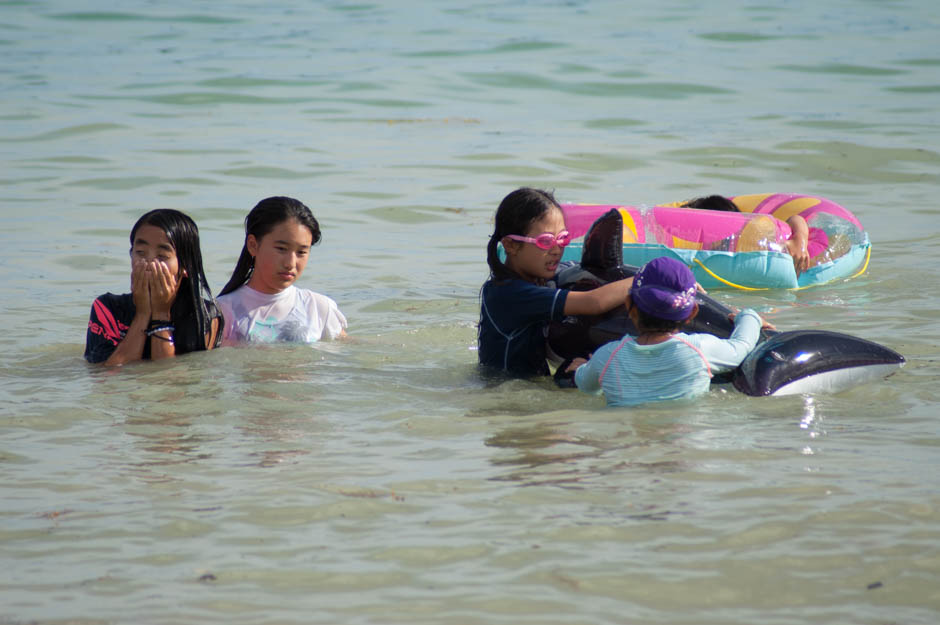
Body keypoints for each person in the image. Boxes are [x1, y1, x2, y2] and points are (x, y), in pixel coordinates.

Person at [478, 187, 634, 378]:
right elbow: (594, 302)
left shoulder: (529, 281)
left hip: (528, 384)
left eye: (562, 239)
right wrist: (645, 277)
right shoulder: (510, 294)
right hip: (504, 393)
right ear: (511, 245)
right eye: (546, 241)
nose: (556, 250)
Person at [568, 256, 763, 406]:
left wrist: (582, 367)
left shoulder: (607, 356)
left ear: (629, 304)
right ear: (692, 312)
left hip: (628, 450)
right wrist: (749, 316)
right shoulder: (700, 350)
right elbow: (742, 346)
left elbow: (587, 386)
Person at [84, 209, 222, 365]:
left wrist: (160, 314)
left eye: (162, 256)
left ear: (186, 267)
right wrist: (142, 314)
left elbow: (166, 376)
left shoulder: (205, 315)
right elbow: (109, 374)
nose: (149, 263)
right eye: (140, 252)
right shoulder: (107, 308)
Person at [217, 196, 346, 345]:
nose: (290, 263)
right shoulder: (223, 312)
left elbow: (348, 352)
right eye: (281, 249)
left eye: (301, 252)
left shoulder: (318, 307)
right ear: (253, 245)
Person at [681, 195, 826, 276]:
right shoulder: (706, 250)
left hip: (816, 251)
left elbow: (796, 218)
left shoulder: (750, 238)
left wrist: (799, 242)